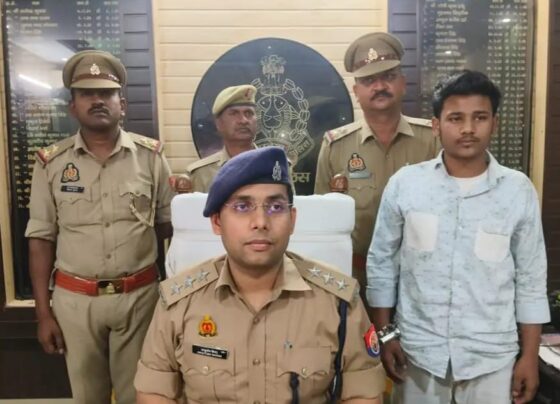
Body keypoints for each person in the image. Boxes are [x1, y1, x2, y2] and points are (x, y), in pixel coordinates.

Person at [134, 147, 386, 403]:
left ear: (292, 219)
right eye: (242, 206)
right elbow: (155, 391)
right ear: (217, 222)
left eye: (275, 207)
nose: (261, 222)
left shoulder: (338, 301)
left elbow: (363, 394)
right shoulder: (179, 302)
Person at [366, 70, 550, 404]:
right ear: (436, 125)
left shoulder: (517, 190)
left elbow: (531, 278)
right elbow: (382, 264)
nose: (468, 129)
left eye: (479, 117)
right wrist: (386, 335)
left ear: (494, 123)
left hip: (492, 358)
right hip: (417, 354)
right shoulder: (406, 185)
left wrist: (529, 356)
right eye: (455, 118)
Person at [25, 50, 174, 404]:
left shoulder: (151, 158)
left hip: (139, 299)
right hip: (76, 303)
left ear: (122, 104)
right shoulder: (51, 164)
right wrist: (43, 313)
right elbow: (41, 239)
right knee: (87, 397)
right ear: (72, 107)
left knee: (140, 394)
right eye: (86, 94)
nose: (97, 101)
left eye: (106, 93)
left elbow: (168, 229)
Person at [314, 32, 438, 296]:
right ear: (356, 92)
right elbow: (323, 225)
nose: (379, 86)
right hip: (355, 280)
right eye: (369, 80)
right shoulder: (336, 146)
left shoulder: (432, 141)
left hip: (422, 279)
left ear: (403, 83)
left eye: (388, 76)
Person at [186, 84, 258, 192]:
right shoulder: (202, 174)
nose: (244, 120)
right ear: (219, 123)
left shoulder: (275, 166)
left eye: (249, 113)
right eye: (234, 113)